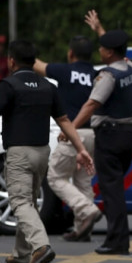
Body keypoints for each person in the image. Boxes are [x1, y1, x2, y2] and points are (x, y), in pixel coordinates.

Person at [0, 40, 94, 263]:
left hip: (19, 153)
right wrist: (82, 148)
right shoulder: (48, 86)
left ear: (11, 61)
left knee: (19, 202)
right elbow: (65, 121)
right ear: (34, 61)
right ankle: (21, 255)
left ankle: (40, 246)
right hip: (41, 153)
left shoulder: (8, 85)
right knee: (28, 201)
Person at [74, 10, 132, 255]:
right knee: (116, 189)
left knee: (112, 192)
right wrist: (100, 29)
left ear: (109, 53)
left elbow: (91, 104)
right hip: (128, 137)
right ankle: (119, 239)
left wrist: (73, 127)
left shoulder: (108, 76)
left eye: (102, 47)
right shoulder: (131, 69)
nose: (99, 51)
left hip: (110, 138)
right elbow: (118, 50)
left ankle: (117, 242)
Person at [33, 36, 102, 242]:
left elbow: (36, 65)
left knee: (55, 176)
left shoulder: (64, 71)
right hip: (92, 134)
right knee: (83, 181)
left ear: (70, 53)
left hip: (72, 133)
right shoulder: (96, 75)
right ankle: (82, 230)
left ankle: (86, 209)